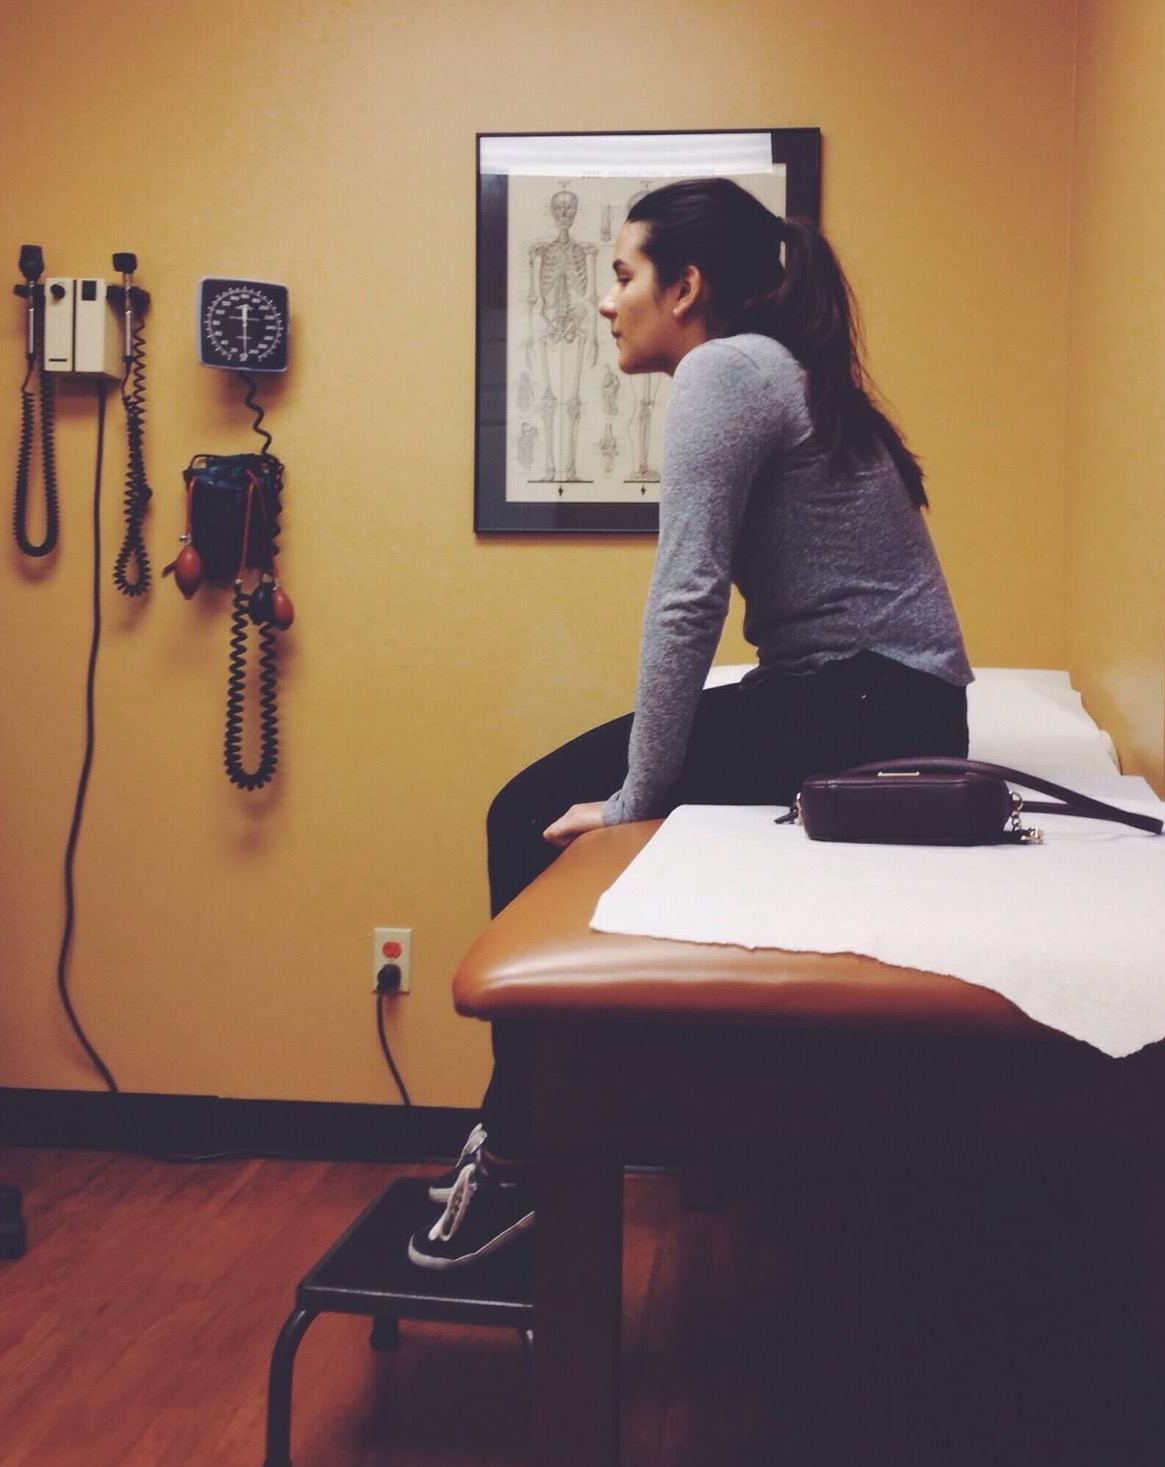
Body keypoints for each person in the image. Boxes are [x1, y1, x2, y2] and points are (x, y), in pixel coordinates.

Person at [408, 176, 972, 1270]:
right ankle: (526, 1132)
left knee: (528, 813)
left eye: (622, 275)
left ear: (689, 284)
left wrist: (636, 797)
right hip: (877, 695)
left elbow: (687, 595)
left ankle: (528, 1152)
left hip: (868, 702)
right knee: (541, 803)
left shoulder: (730, 367)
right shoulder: (779, 368)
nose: (608, 303)